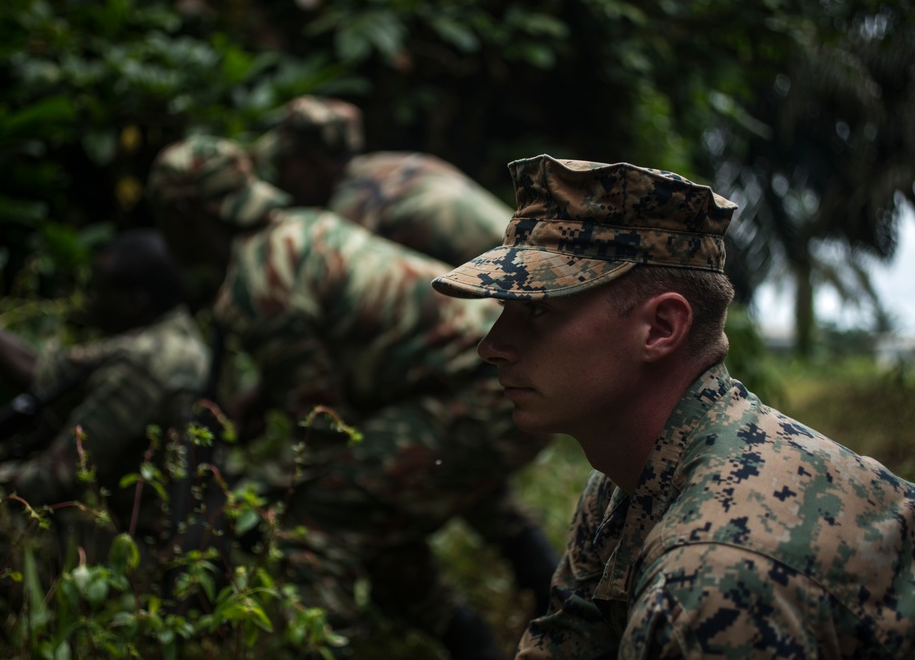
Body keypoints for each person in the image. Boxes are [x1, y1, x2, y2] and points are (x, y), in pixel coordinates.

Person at [430, 154, 915, 659]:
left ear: (661, 328)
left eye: (537, 310)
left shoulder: (714, 579)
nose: (492, 345)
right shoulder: (625, 484)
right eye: (504, 310)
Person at [146, 134, 557, 659]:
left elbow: (322, 435)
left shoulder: (258, 283)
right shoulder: (299, 229)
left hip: (486, 394)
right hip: (495, 384)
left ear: (184, 212)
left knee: (311, 524)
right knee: (372, 516)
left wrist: (235, 504)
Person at [0, 229, 210, 547]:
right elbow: (37, 371)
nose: (89, 301)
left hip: (143, 549)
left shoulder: (140, 367)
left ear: (135, 302)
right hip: (152, 535)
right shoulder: (178, 340)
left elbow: (49, 479)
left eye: (99, 292)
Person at [250, 94, 512, 266]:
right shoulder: (400, 163)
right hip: (536, 254)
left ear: (314, 164)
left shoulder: (354, 212)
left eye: (285, 164)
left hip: (515, 286)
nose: (281, 178)